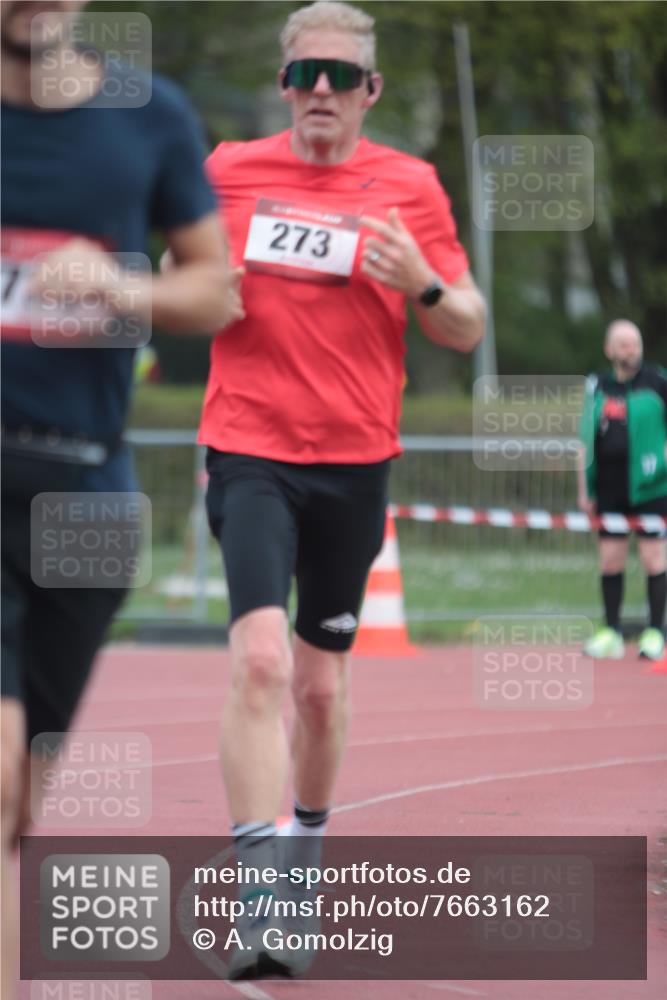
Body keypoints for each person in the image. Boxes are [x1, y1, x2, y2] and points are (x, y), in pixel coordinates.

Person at [200, 0, 485, 978]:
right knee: (261, 664)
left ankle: (307, 855)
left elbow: (468, 326)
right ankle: (258, 897)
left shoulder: (409, 185)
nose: (318, 90)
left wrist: (423, 282)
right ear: (282, 83)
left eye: (338, 74)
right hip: (248, 449)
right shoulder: (228, 170)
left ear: (370, 90)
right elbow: (174, 276)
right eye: (301, 73)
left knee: (320, 688)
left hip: (356, 462)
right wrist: (203, 286)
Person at [0, 2, 241, 995]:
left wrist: (120, 287)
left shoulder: (151, 116)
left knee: (21, 807)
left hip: (88, 493)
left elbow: (216, 290)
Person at [577, 320, 667, 661]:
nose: (632, 351)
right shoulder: (597, 386)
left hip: (651, 488)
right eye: (624, 345)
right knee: (610, 561)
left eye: (636, 344)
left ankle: (655, 632)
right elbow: (584, 438)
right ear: (609, 350)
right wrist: (585, 488)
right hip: (610, 490)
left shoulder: (657, 383)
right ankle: (611, 632)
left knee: (652, 558)